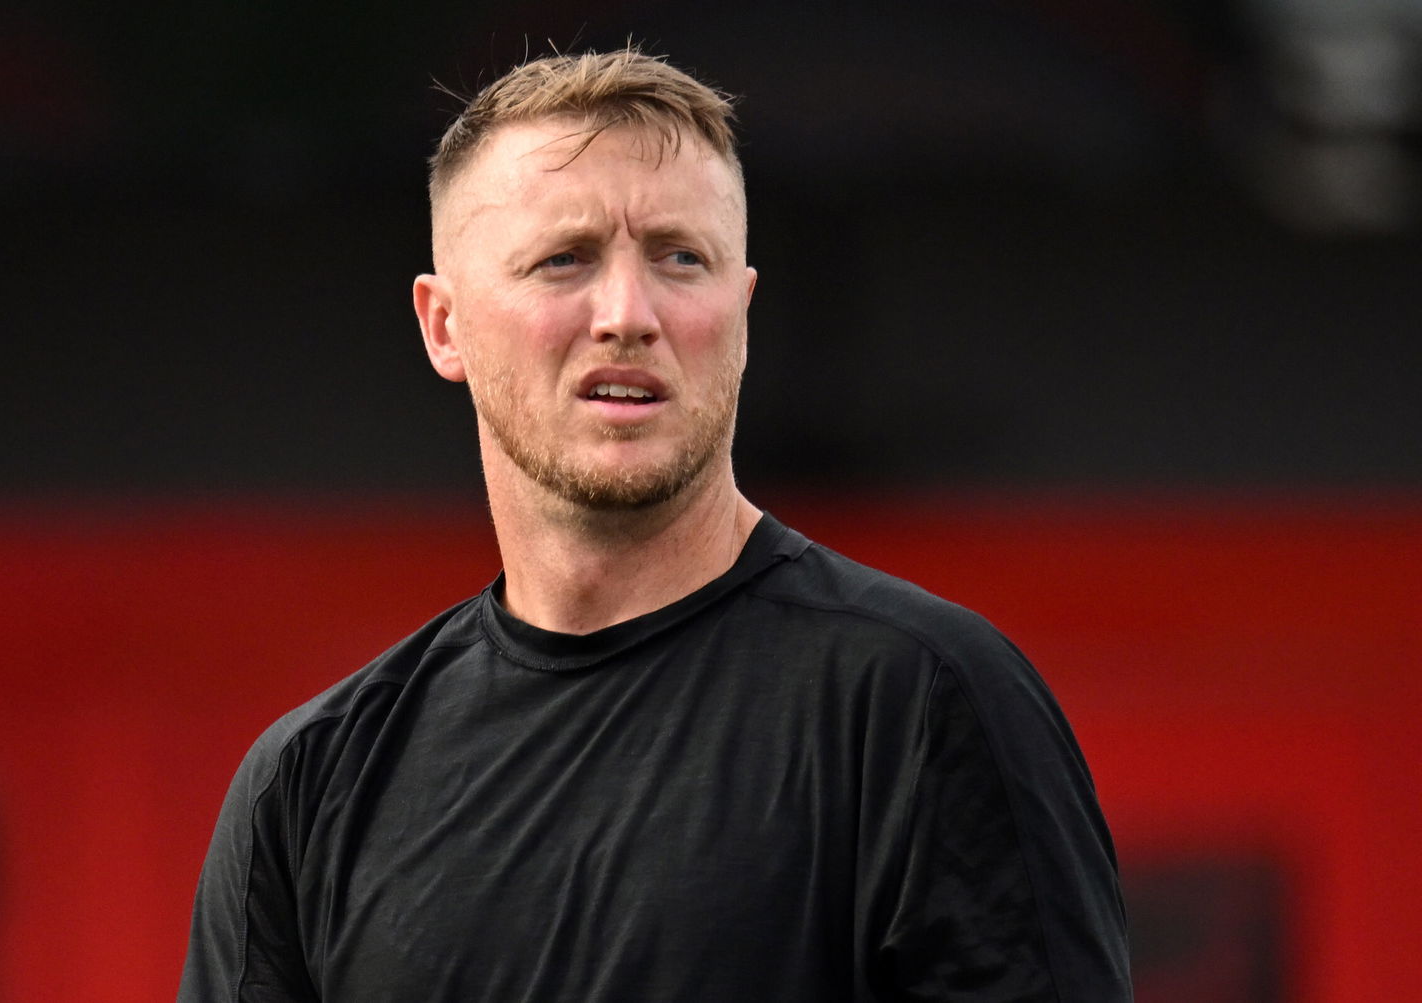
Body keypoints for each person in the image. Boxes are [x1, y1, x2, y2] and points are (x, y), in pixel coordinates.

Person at [180, 47, 1131, 1002]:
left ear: (742, 314)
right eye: (565, 259)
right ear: (444, 325)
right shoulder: (309, 784)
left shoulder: (927, 702)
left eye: (681, 257)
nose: (628, 314)